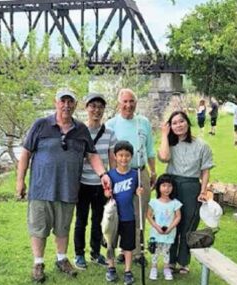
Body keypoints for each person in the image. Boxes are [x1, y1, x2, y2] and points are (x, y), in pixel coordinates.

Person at [16, 89, 111, 283]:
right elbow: (25, 152)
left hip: (68, 189)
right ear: (56, 103)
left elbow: (92, 155)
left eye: (70, 102)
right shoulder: (40, 125)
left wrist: (103, 174)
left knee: (63, 227)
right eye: (63, 101)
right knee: (39, 228)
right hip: (41, 188)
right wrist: (20, 181)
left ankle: (61, 259)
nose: (66, 105)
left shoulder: (81, 129)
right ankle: (38, 263)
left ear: (75, 105)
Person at [158, 110, 214, 274]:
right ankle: (170, 261)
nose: (178, 125)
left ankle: (184, 262)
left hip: (191, 186)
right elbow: (164, 157)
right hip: (172, 186)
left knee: (188, 224)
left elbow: (205, 171)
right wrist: (164, 134)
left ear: (187, 123)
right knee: (172, 223)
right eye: (174, 123)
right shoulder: (169, 143)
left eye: (181, 121)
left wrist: (203, 191)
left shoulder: (202, 145)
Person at [106, 88, 156, 264]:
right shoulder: (111, 124)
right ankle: (122, 249)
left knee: (139, 212)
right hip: (120, 174)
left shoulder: (143, 123)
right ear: (119, 103)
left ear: (136, 103)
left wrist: (153, 170)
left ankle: (137, 251)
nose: (128, 105)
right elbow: (110, 153)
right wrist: (112, 176)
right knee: (120, 212)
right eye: (125, 101)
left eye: (131, 101)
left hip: (139, 171)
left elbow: (150, 149)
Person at [73, 93, 117, 269]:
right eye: (93, 106)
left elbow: (112, 160)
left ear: (103, 110)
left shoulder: (110, 133)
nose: (96, 110)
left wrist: (111, 182)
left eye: (100, 107)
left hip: (101, 184)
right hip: (82, 183)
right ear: (86, 108)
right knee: (81, 220)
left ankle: (96, 253)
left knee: (99, 220)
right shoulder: (78, 132)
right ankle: (79, 254)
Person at [104, 140, 143, 285]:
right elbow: (106, 192)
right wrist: (107, 193)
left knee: (128, 245)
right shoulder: (111, 175)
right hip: (113, 217)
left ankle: (128, 270)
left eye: (127, 156)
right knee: (110, 243)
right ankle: (111, 267)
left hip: (128, 216)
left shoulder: (135, 174)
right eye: (120, 155)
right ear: (115, 156)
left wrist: (138, 192)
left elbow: (136, 191)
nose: (123, 159)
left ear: (131, 157)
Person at [147, 174, 182, 281]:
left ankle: (166, 268)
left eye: (169, 186)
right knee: (155, 251)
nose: (166, 189)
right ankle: (154, 268)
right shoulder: (154, 202)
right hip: (156, 233)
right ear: (159, 187)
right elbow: (148, 215)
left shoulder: (175, 203)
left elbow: (178, 216)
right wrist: (156, 227)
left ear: (173, 188)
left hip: (169, 232)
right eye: (164, 185)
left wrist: (170, 228)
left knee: (167, 251)